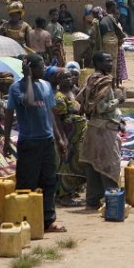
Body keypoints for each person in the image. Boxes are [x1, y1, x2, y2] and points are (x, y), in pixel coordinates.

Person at [3, 54, 68, 233]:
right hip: (28, 143)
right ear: (30, 69)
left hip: (46, 141)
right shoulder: (17, 88)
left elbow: (51, 113)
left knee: (48, 181)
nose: (45, 69)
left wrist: (59, 138)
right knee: (27, 182)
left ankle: (49, 220)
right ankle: (26, 219)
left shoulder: (46, 86)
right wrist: (7, 140)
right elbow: (26, 104)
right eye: (41, 67)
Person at [76, 52, 125, 210]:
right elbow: (101, 107)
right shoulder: (104, 82)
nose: (111, 64)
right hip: (104, 129)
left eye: (111, 60)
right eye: (107, 61)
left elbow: (80, 101)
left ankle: (92, 200)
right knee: (109, 165)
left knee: (93, 165)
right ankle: (112, 200)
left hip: (93, 128)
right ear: (98, 63)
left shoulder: (91, 79)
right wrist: (119, 99)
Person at [54, 69, 86, 207]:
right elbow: (57, 119)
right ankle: (64, 196)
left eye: (69, 77)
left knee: (76, 164)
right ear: (58, 81)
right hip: (68, 136)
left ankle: (72, 191)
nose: (68, 79)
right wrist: (62, 138)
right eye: (64, 78)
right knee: (66, 165)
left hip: (77, 137)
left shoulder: (74, 93)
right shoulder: (59, 97)